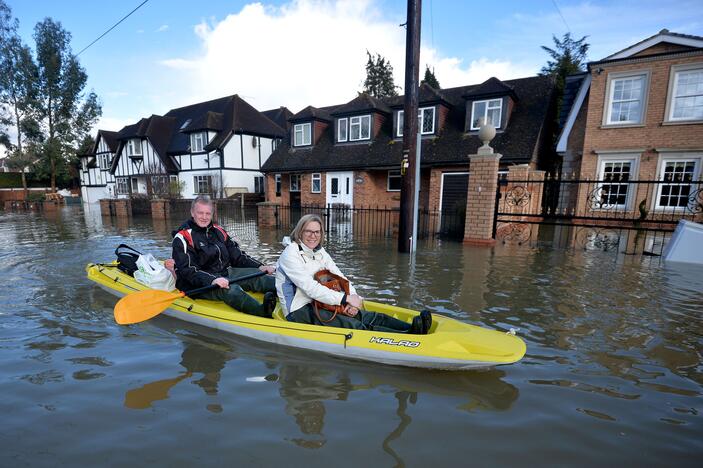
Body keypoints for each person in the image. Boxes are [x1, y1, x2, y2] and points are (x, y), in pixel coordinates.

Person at [275, 214, 432, 333]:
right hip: (298, 309)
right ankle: (408, 336)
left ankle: (413, 328)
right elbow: (310, 288)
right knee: (354, 325)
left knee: (367, 316)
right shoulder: (290, 254)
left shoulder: (320, 251)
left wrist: (353, 300)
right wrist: (344, 298)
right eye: (308, 231)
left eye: (317, 232)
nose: (313, 236)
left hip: (322, 301)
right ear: (300, 232)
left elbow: (340, 276)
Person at [172, 195, 277, 318]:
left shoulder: (219, 231)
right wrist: (212, 280)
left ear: (212, 214)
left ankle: (291, 292)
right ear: (192, 213)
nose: (204, 217)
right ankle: (262, 312)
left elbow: (238, 256)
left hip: (224, 273)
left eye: (208, 213)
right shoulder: (182, 237)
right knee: (231, 289)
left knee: (258, 276)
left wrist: (260, 266)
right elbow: (188, 270)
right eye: (200, 213)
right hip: (198, 284)